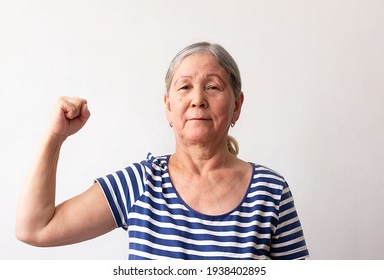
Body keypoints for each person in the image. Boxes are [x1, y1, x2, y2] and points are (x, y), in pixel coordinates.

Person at [16, 42, 309, 260]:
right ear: (168, 107)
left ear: (237, 105)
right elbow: (35, 228)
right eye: (184, 87)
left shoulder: (270, 190)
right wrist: (55, 137)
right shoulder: (139, 183)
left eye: (213, 87)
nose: (198, 99)